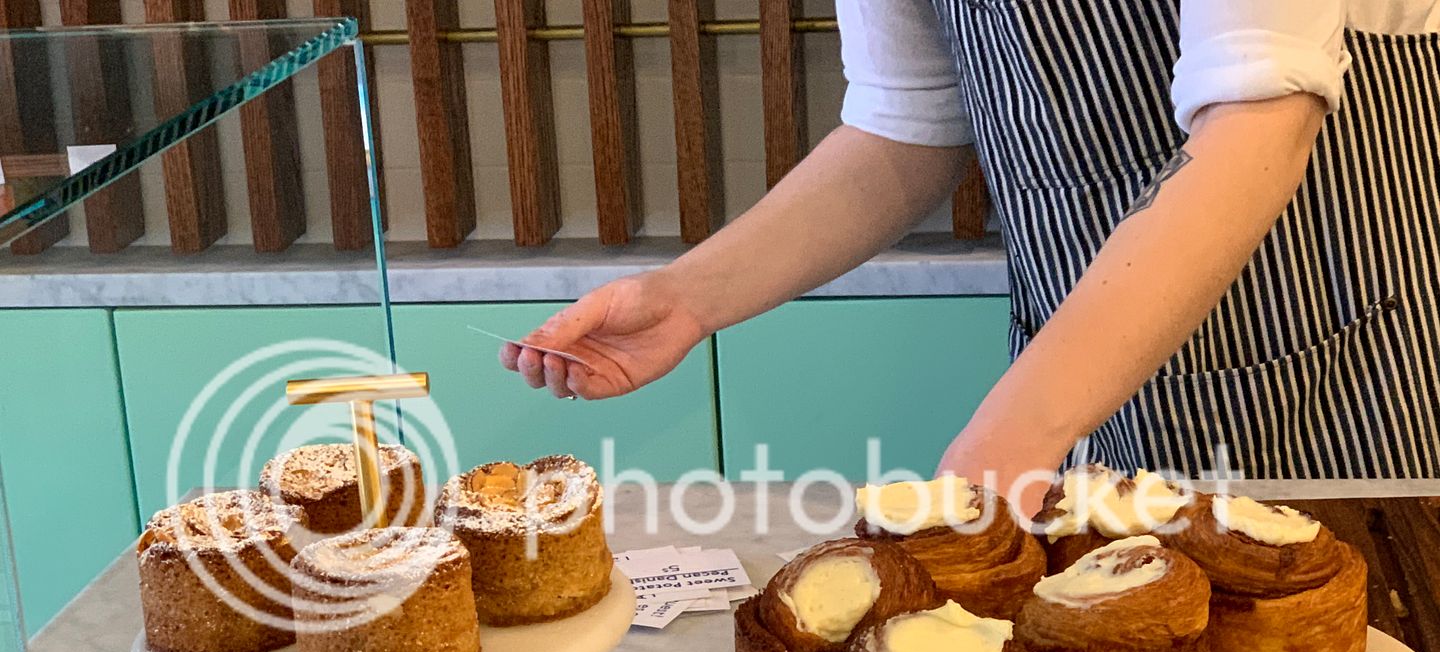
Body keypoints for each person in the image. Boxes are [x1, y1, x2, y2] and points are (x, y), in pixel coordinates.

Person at [500, 0, 1440, 510]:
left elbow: (1258, 124)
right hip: (1086, 369)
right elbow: (905, 128)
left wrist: (1012, 436)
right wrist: (687, 297)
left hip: (1338, 358)